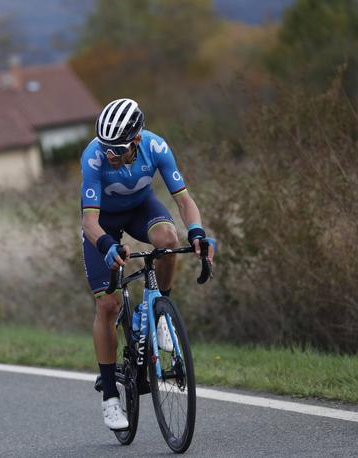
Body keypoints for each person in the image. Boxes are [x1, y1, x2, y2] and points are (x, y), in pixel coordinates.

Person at [80, 98, 214, 431]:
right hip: (104, 224)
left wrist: (196, 231)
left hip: (141, 209)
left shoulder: (155, 146)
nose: (110, 155)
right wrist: (108, 245)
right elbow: (89, 222)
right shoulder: (93, 157)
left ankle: (158, 313)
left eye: (118, 149)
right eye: (106, 148)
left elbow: (184, 200)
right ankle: (110, 396)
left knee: (169, 241)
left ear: (137, 140)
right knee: (108, 305)